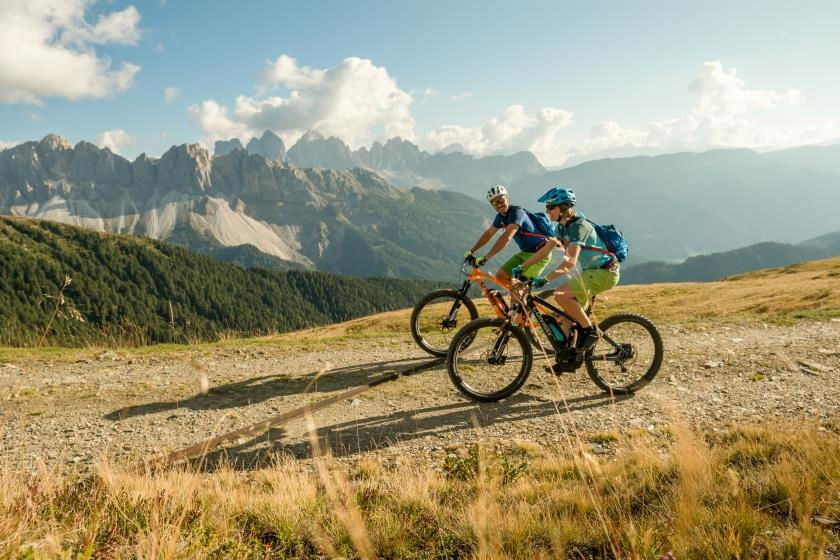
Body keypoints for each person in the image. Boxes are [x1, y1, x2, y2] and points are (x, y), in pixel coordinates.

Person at [512, 186, 620, 351]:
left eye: (550, 207)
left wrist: (546, 279)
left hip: (604, 273)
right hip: (590, 273)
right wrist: (523, 266)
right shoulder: (562, 227)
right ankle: (567, 356)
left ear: (563, 208)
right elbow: (545, 250)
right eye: (546, 207)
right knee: (568, 316)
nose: (547, 212)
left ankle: (590, 332)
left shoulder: (579, 227)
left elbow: (570, 263)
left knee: (561, 294)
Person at [465, 184, 553, 288]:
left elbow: (506, 237)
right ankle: (518, 300)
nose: (499, 205)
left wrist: (486, 258)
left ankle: (521, 300)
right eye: (494, 203)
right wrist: (472, 251)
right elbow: (488, 234)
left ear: (507, 197)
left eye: (501, 200)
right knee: (501, 276)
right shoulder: (501, 217)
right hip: (526, 253)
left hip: (542, 252)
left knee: (518, 287)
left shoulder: (517, 212)